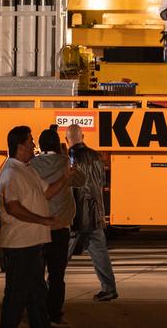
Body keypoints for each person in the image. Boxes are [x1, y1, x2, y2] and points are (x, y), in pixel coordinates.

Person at [0, 125, 61, 328]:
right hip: (20, 245)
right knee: (16, 296)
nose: (34, 145)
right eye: (31, 141)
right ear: (20, 146)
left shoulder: (27, 170)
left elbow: (47, 192)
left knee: (37, 294)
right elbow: (13, 207)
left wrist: (66, 177)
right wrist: (43, 220)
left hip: (32, 244)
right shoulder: (10, 173)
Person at [30, 126, 80, 324]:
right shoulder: (65, 163)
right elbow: (81, 180)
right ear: (57, 145)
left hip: (38, 226)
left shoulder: (32, 164)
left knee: (36, 274)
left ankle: (38, 311)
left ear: (40, 145)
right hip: (60, 227)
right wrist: (67, 158)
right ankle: (55, 313)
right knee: (57, 275)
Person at [65, 124, 117, 302]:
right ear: (83, 137)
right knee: (99, 251)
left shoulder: (70, 157)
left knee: (62, 254)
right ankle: (109, 288)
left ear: (66, 140)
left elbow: (69, 185)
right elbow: (102, 181)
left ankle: (50, 286)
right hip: (95, 212)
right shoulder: (97, 156)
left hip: (76, 214)